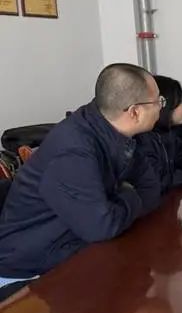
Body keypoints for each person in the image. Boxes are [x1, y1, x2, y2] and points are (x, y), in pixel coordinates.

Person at [0, 63, 163, 286]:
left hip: (73, 247)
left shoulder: (114, 132)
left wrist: (118, 203)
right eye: (158, 102)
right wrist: (129, 195)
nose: (161, 108)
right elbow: (101, 226)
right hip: (29, 270)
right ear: (135, 112)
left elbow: (152, 187)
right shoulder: (74, 149)